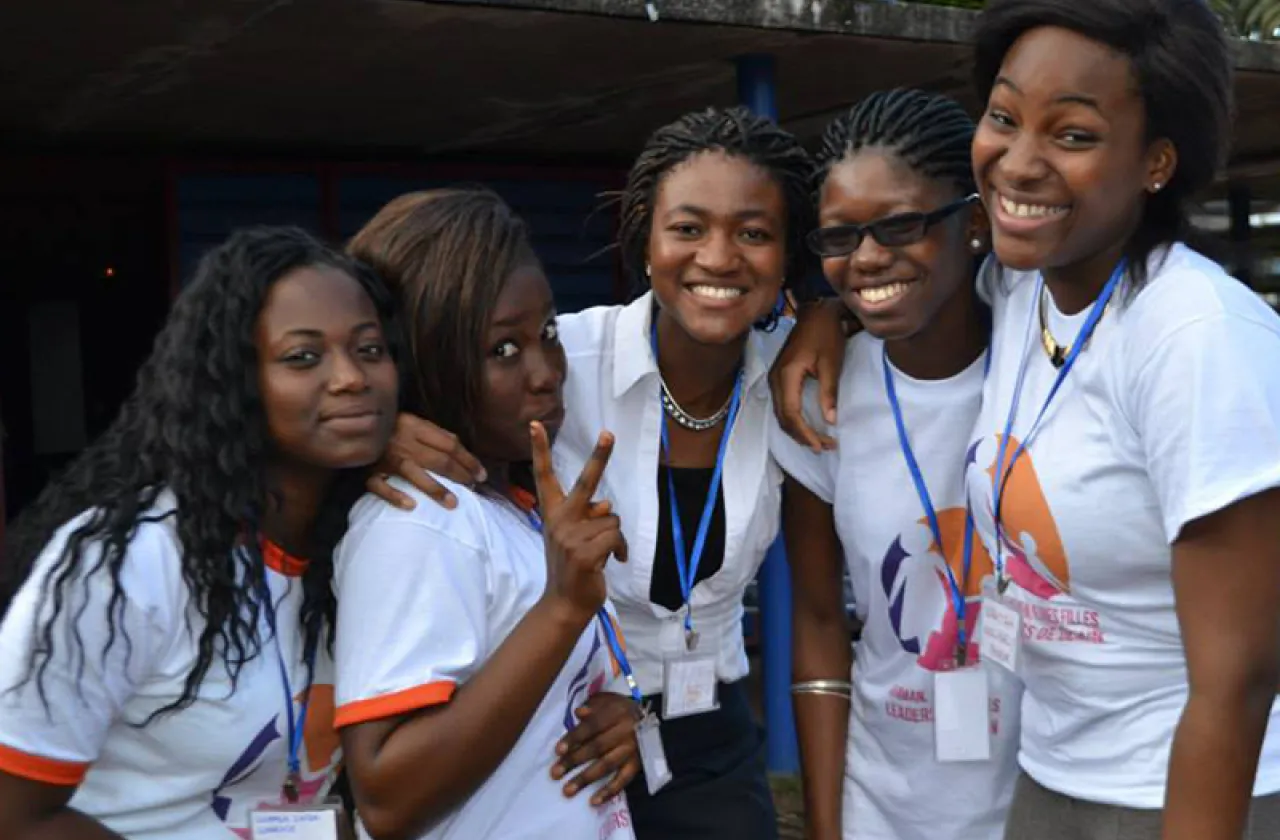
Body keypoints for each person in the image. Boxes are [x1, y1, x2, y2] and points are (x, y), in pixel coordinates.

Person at [773, 2, 1280, 838]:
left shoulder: (1197, 340)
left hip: (1181, 791)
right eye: (1004, 119)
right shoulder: (1025, 295)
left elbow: (1239, 680)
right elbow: (898, 285)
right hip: (1051, 778)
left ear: (1156, 161)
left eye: (1073, 135)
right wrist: (822, 316)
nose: (1018, 161)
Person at [370, 106, 816, 840]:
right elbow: (421, 359)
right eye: (689, 228)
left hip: (710, 731)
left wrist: (833, 319)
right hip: (567, 732)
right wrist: (387, 430)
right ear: (645, 239)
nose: (719, 256)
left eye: (755, 233)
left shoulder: (799, 382)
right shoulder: (558, 365)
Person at [0, 226, 401, 838]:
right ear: (234, 382)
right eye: (303, 356)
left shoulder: (362, 544)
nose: (351, 377)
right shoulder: (131, 562)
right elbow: (15, 818)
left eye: (369, 349)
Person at [332, 188, 638, 840]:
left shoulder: (508, 508)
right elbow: (387, 796)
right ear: (428, 360)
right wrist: (561, 610)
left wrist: (615, 714)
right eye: (503, 349)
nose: (545, 372)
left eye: (548, 334)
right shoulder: (420, 520)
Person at [770, 88, 1020, 840]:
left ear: (973, 222)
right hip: (887, 802)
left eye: (902, 225)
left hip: (1047, 793)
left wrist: (823, 312)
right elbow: (818, 618)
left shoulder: (1043, 354)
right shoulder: (821, 400)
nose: (869, 257)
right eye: (840, 238)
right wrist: (827, 824)